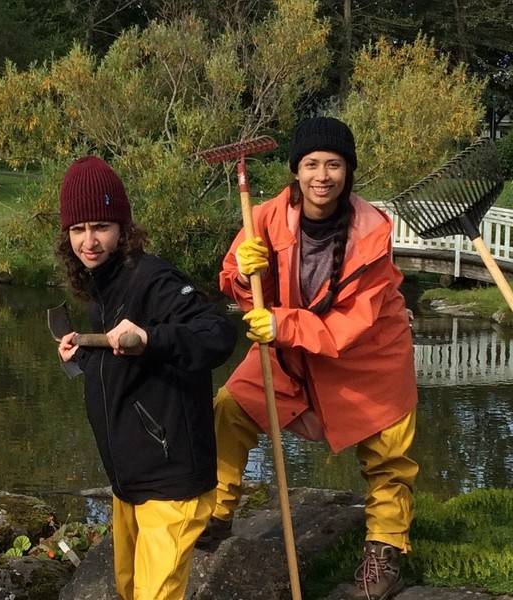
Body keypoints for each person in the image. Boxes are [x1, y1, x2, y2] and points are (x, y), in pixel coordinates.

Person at [206, 116, 418, 600]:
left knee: (387, 456)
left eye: (334, 165)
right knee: (230, 408)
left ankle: (385, 548)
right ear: (295, 172)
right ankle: (216, 514)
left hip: (368, 360)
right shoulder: (260, 218)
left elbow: (351, 324)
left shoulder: (373, 235)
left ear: (348, 172)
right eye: (311, 164)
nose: (322, 175)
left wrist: (281, 325)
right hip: (293, 356)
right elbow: (238, 287)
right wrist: (242, 276)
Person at [52, 156, 239, 599]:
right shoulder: (101, 287)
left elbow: (217, 333)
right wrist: (82, 355)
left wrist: (150, 337)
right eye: (78, 230)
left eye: (100, 226)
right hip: (128, 484)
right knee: (128, 589)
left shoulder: (153, 280)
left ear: (122, 228)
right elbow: (123, 369)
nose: (89, 241)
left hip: (170, 482)